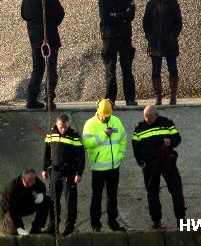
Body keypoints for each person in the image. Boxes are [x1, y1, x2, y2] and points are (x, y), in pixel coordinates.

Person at [132, 105, 186, 229]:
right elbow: (136, 147)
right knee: (152, 193)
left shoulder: (167, 123)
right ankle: (156, 221)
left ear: (156, 114)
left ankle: (181, 219)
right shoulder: (139, 128)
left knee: (176, 190)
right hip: (150, 165)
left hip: (167, 162)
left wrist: (170, 142)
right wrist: (140, 162)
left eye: (150, 117)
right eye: (146, 117)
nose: (148, 120)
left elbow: (177, 138)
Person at [21, 0, 65, 110]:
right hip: (49, 38)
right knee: (51, 69)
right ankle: (49, 101)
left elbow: (24, 15)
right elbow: (60, 12)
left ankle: (31, 100)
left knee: (37, 69)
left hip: (35, 39)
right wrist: (51, 24)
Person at [82, 99, 127, 232]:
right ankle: (95, 224)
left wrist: (120, 156)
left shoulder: (116, 121)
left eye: (107, 116)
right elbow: (87, 143)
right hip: (98, 168)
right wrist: (103, 135)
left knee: (112, 196)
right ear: (98, 112)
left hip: (114, 167)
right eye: (104, 116)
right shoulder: (90, 124)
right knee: (97, 196)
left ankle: (112, 222)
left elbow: (123, 139)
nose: (106, 118)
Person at [42, 114, 85, 236]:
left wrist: (79, 173)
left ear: (68, 125)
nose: (63, 130)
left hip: (70, 173)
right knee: (53, 200)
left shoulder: (74, 136)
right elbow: (46, 152)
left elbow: (81, 156)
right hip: (55, 172)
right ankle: (52, 226)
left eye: (65, 127)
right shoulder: (51, 134)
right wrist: (44, 168)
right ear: (57, 124)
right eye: (61, 127)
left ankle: (69, 227)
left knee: (70, 201)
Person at [142, 0, 183, 105]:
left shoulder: (172, 2)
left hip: (169, 42)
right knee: (155, 70)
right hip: (155, 43)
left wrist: (173, 36)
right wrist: (149, 36)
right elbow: (145, 22)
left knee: (172, 69)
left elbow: (178, 22)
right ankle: (158, 96)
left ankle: (173, 95)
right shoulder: (151, 3)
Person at [98, 0, 137, 106]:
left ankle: (130, 99)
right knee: (110, 70)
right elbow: (105, 19)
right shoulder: (103, 1)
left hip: (125, 39)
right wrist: (122, 16)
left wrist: (114, 15)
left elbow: (130, 15)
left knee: (127, 69)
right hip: (109, 39)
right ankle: (110, 100)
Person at [1, 168, 51, 235]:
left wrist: (42, 194)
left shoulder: (34, 180)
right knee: (15, 232)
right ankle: (7, 226)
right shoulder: (12, 187)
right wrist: (18, 227)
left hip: (26, 206)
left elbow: (42, 186)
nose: (31, 184)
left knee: (46, 200)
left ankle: (36, 228)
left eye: (33, 181)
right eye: (28, 182)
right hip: (11, 211)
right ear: (22, 179)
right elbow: (11, 208)